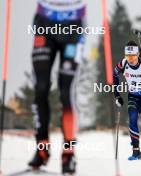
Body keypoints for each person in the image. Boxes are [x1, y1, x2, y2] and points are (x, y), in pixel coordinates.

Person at [28, 0, 86, 174]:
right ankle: (42, 148)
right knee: (41, 88)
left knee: (66, 93)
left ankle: (69, 153)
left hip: (73, 25)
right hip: (45, 21)